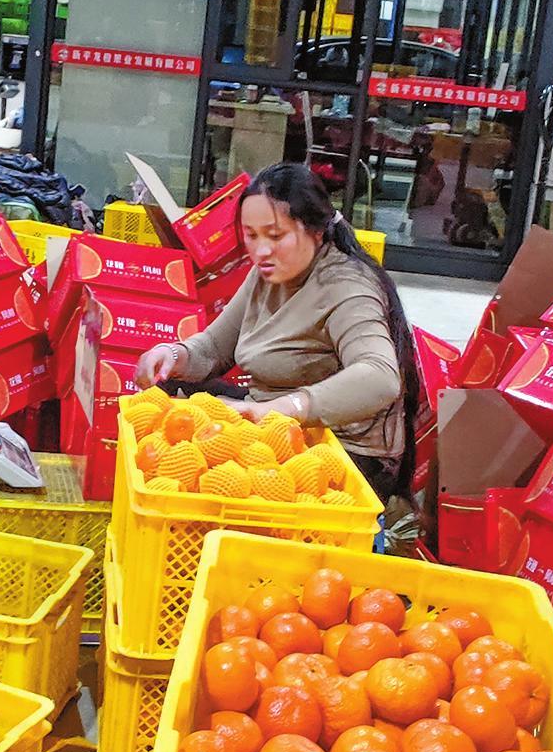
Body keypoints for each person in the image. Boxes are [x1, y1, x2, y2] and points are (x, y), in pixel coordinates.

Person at [134, 162, 423, 502]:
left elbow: (380, 377)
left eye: (276, 236)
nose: (261, 250)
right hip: (274, 422)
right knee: (171, 392)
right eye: (251, 235)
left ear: (315, 231)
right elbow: (213, 347)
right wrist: (172, 355)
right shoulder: (267, 273)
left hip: (339, 450)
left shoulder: (346, 286)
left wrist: (290, 406)